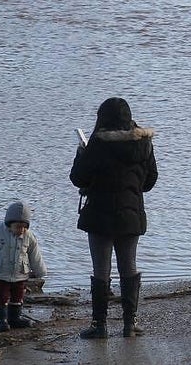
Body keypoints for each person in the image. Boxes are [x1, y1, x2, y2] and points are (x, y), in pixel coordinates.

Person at [70, 97, 158, 339]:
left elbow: (78, 178)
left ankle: (100, 326)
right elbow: (150, 181)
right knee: (128, 267)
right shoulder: (144, 143)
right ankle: (130, 324)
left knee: (101, 269)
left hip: (100, 216)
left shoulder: (97, 144)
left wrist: (81, 153)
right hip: (131, 215)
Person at [0, 200, 47, 332]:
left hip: (20, 273)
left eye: (24, 227)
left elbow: (35, 254)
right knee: (2, 295)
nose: (21, 230)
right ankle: (1, 320)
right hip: (0, 272)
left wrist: (40, 271)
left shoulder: (29, 236)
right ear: (9, 224)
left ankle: (14, 318)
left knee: (18, 295)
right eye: (18, 226)